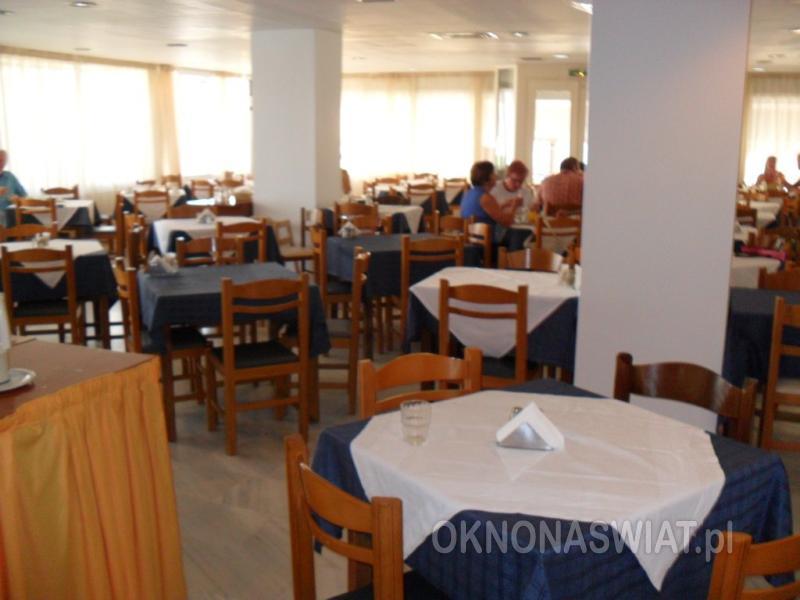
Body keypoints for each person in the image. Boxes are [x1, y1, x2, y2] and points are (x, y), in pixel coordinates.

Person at [460, 161, 521, 243]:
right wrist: (515, 206)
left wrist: (504, 205)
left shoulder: (468, 193)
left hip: (471, 238)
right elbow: (507, 222)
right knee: (520, 235)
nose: (496, 176)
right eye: (493, 173)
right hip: (486, 240)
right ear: (487, 178)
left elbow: (484, 213)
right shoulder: (485, 197)